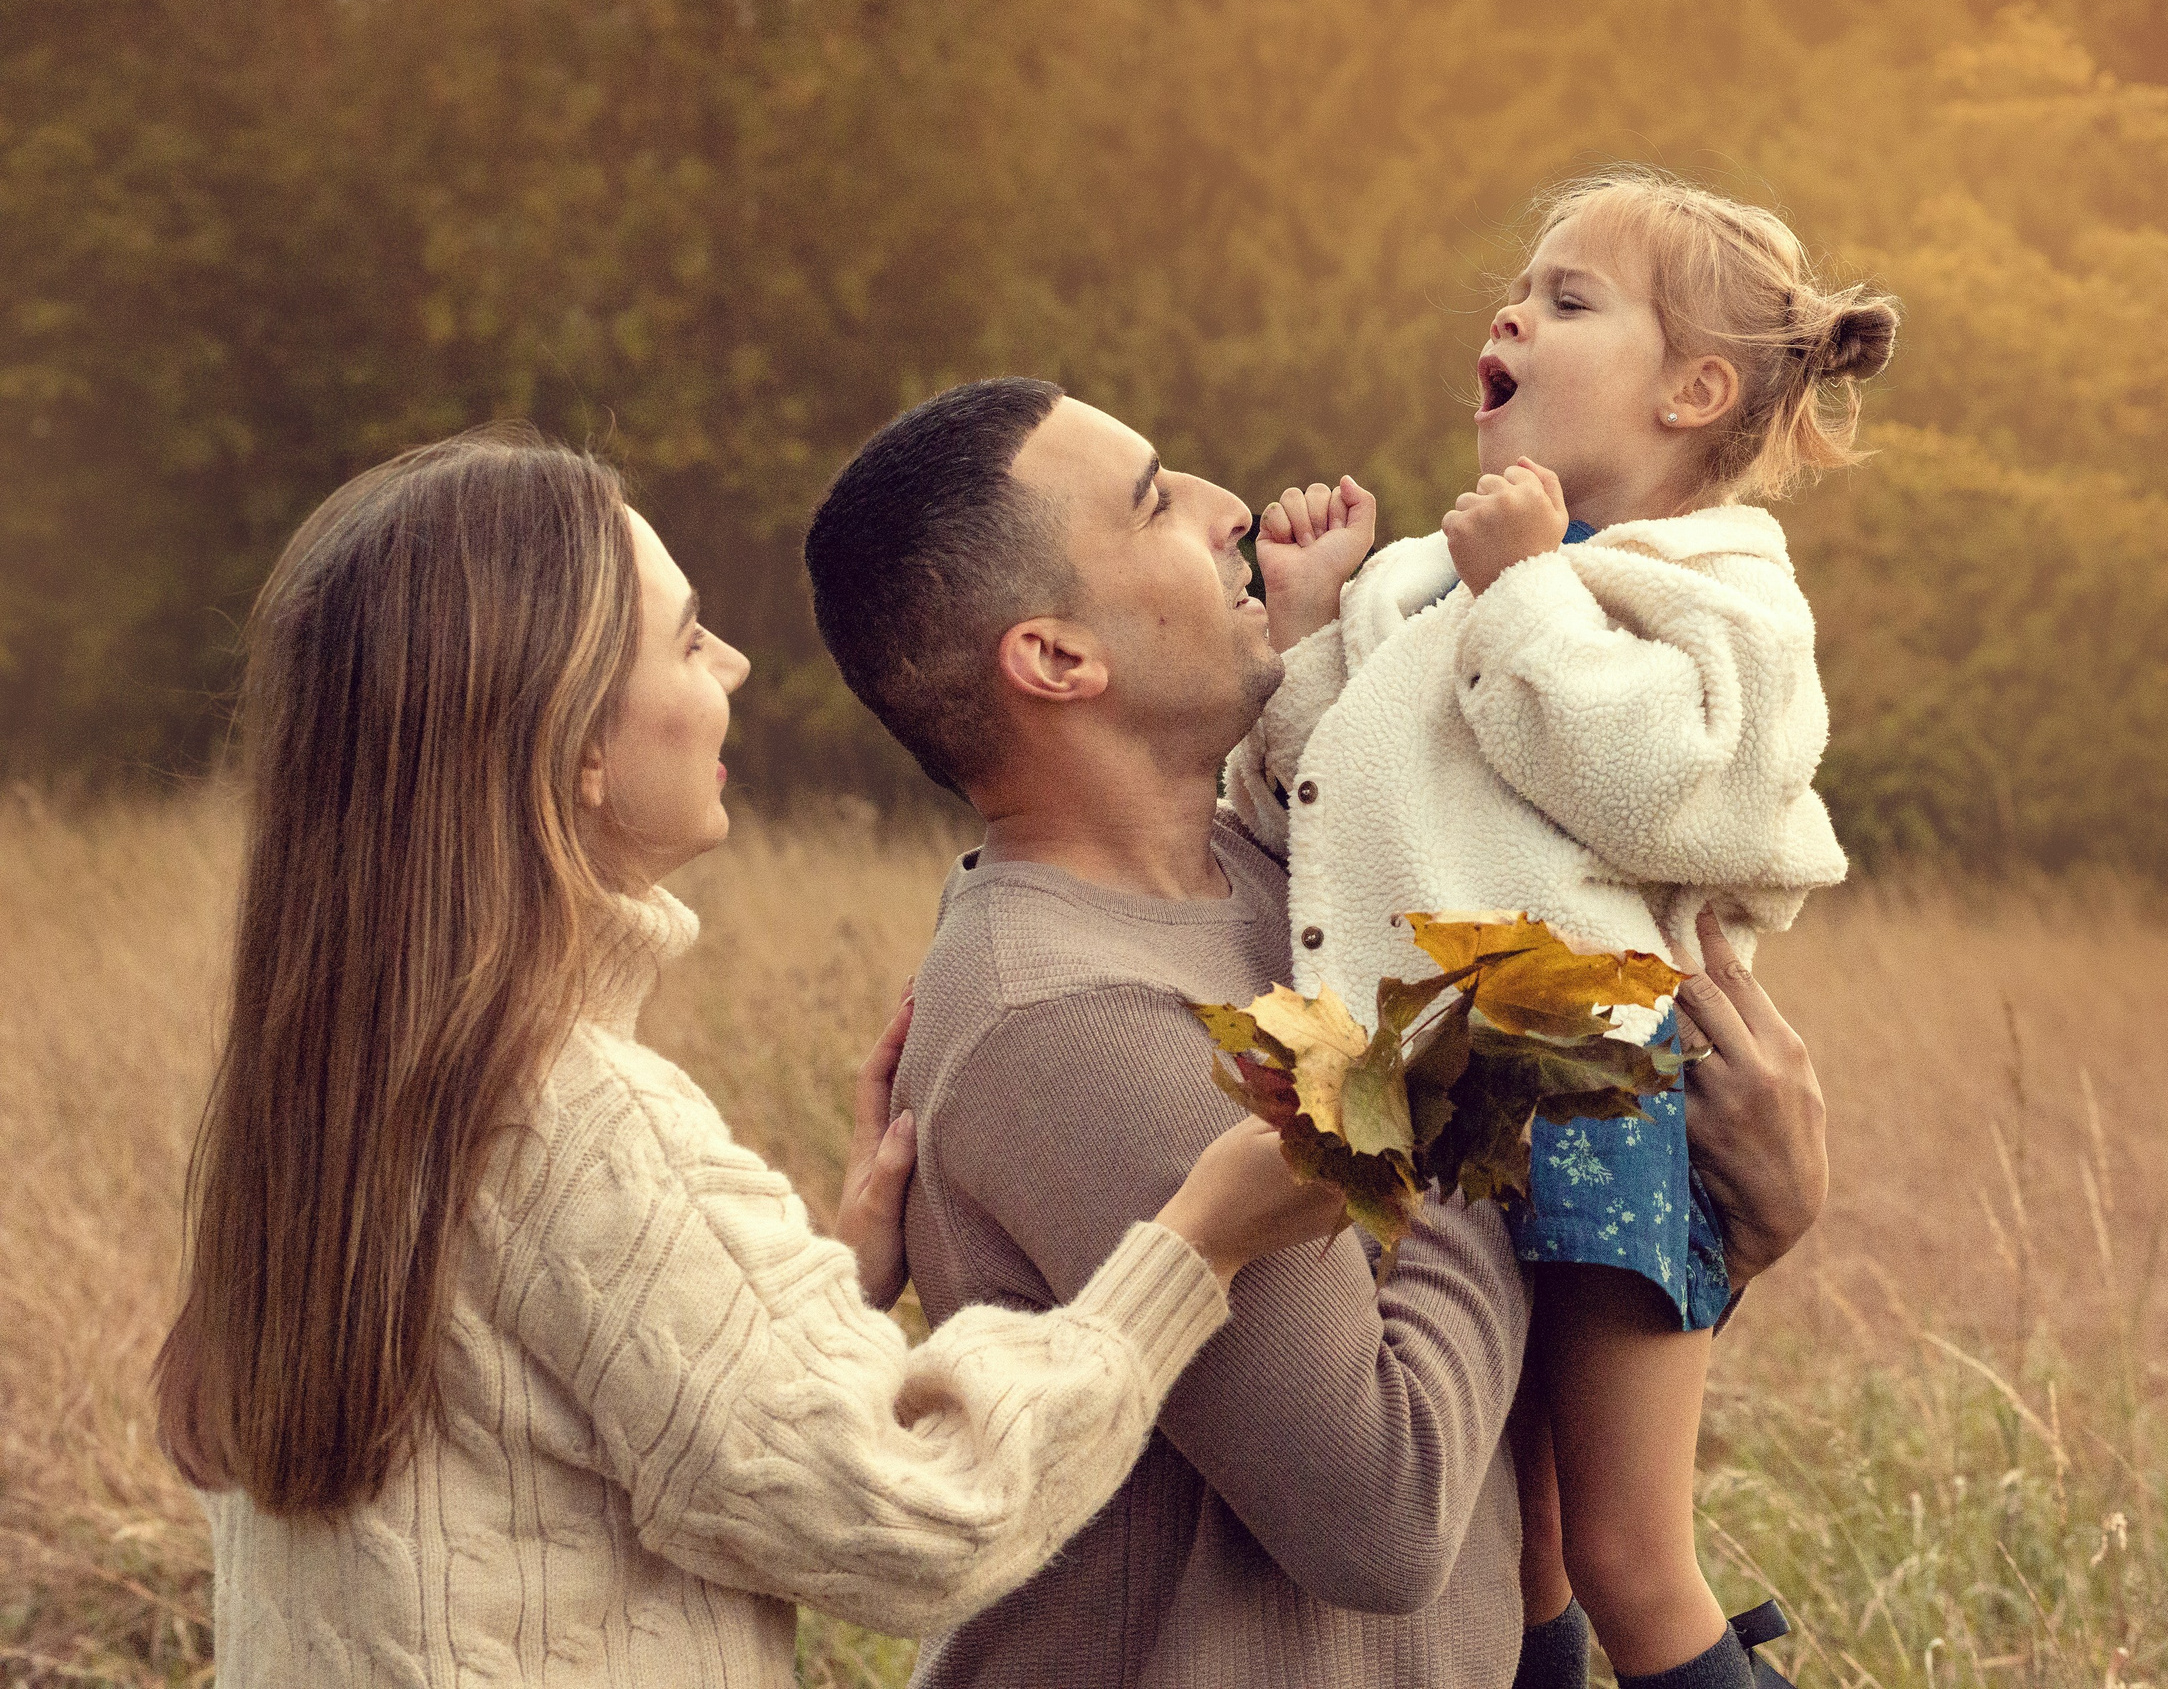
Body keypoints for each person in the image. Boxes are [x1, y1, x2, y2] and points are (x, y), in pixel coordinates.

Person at [150, 426, 1345, 1688]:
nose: (732, 661)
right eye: (684, 637)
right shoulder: (573, 1119)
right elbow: (920, 1518)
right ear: (574, 747)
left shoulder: (332, 1103)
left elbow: (526, 1462)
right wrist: (1192, 1246)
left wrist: (811, 1296)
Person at [802, 376, 1833, 1686]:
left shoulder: (1292, 885)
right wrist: (1497, 1064)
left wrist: (1731, 1227)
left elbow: (1490, 1396)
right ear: (1058, 656)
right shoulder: (1072, 1016)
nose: (1229, 507)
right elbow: (1393, 1509)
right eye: (1156, 499)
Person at [1241, 167, 1898, 1689]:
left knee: (1627, 1553)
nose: (1512, 312)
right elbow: (1318, 793)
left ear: (1695, 391)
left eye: (1567, 298)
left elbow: (1676, 789)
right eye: (1518, 291)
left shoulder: (1720, 582)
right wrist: (1304, 624)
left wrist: (1527, 590)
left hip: (1593, 1077)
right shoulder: (1430, 570)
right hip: (1426, 1085)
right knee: (1504, 1541)